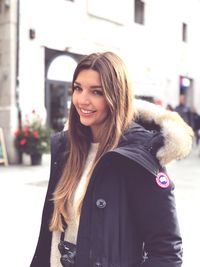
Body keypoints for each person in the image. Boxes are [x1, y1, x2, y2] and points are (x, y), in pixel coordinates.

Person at [30, 52, 194, 267]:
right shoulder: (67, 147)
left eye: (96, 92)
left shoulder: (138, 156)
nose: (82, 100)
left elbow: (166, 252)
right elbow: (52, 232)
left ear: (116, 96)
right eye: (78, 88)